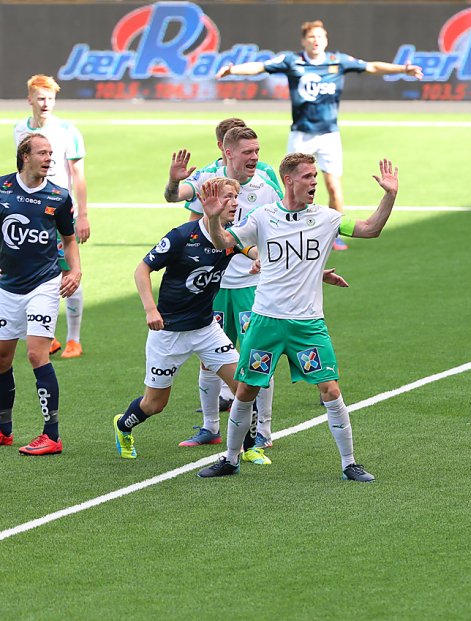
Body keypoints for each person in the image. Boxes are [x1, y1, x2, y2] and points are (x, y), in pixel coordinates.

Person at [196, 152, 401, 482]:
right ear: (289, 180)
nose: (314, 182)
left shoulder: (327, 217)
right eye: (307, 177)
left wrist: (389, 196)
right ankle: (231, 459)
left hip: (307, 325)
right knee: (246, 390)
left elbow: (370, 229)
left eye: (315, 177)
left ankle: (349, 463)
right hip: (265, 321)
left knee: (331, 390)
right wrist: (213, 219)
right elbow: (224, 243)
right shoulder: (263, 217)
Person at [216, 19, 423, 250]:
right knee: (291, 186)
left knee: (333, 186)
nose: (316, 41)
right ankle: (287, 227)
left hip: (328, 135)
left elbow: (371, 67)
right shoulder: (292, 61)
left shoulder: (338, 61)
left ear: (326, 40)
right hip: (301, 134)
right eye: (311, 37)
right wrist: (233, 70)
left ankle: (334, 233)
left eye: (320, 37)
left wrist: (404, 69)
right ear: (304, 41)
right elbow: (260, 67)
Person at [164, 127, 282, 461]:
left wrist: (265, 258)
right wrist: (174, 181)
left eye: (257, 152)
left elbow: (281, 224)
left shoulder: (267, 182)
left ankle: (263, 433)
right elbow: (173, 195)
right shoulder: (209, 179)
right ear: (227, 153)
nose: (254, 158)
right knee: (208, 356)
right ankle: (211, 427)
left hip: (250, 287)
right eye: (247, 152)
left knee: (258, 355)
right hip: (212, 286)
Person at [113, 178, 249, 459]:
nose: (235, 202)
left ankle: (247, 448)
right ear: (209, 200)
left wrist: (262, 261)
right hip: (169, 332)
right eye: (228, 197)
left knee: (245, 388)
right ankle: (123, 426)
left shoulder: (232, 237)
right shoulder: (181, 236)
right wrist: (151, 309)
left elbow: (258, 254)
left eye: (236, 197)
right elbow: (142, 270)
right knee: (154, 404)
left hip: (206, 329)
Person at [0, 135, 81, 454]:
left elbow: (69, 238)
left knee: (36, 354)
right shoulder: (3, 188)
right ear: (24, 157)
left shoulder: (59, 196)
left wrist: (75, 271)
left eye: (51, 153)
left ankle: (52, 435)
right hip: (7, 285)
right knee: (2, 358)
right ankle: (4, 429)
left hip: (44, 284)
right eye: (43, 153)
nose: (49, 158)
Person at [13, 75, 88, 359]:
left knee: (69, 271)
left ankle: (74, 339)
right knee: (26, 269)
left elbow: (78, 175)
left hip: (59, 211)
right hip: (28, 211)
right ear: (29, 99)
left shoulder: (68, 130)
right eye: (41, 98)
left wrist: (83, 215)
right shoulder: (19, 129)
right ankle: (48, 336)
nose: (46, 104)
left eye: (50, 98)